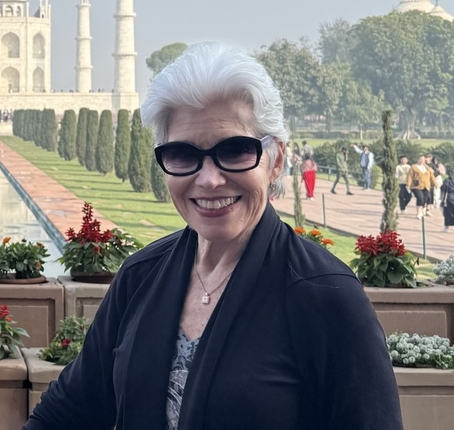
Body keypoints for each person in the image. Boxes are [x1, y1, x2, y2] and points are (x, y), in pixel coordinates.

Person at [24, 42, 401, 429]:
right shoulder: (143, 276)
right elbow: (70, 410)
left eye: (236, 150)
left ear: (276, 160)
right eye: (183, 155)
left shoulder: (322, 294)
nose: (208, 179)